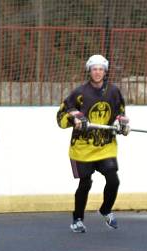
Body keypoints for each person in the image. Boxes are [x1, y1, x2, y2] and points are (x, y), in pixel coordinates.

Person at [56, 54, 129, 233]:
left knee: (113, 179)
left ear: (105, 71)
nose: (97, 72)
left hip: (105, 145)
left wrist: (122, 124)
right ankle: (78, 219)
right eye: (94, 69)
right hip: (82, 148)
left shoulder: (113, 91)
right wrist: (75, 119)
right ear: (89, 71)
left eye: (101, 69)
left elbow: (120, 114)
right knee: (85, 183)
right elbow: (61, 117)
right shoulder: (79, 93)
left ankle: (106, 210)